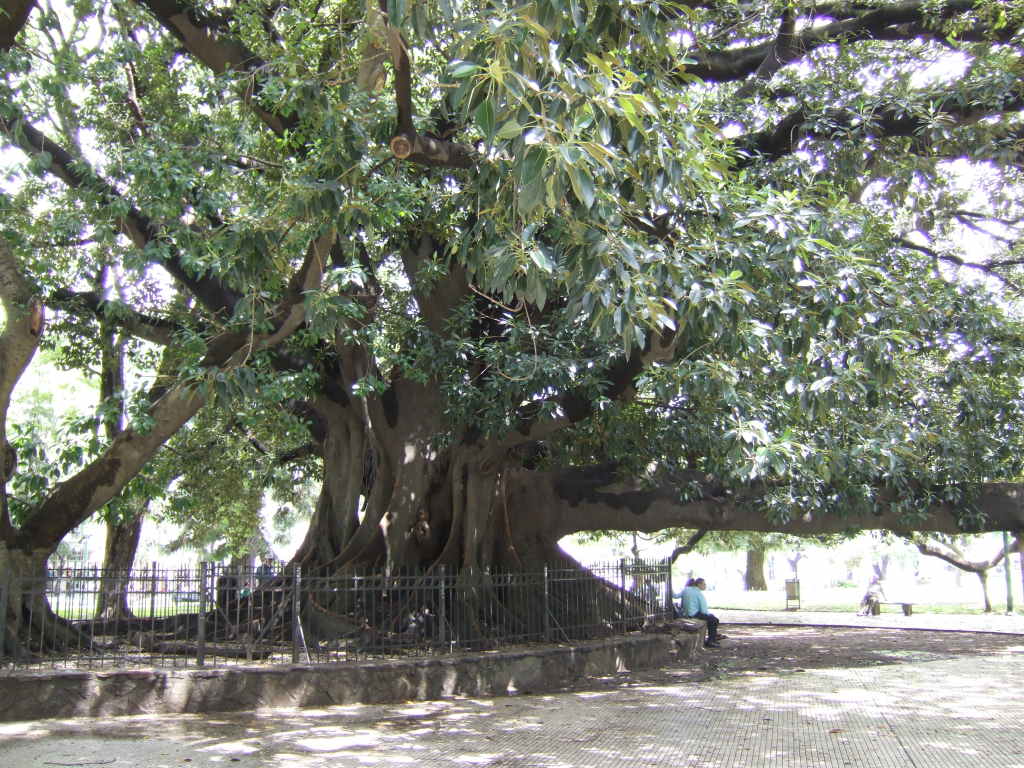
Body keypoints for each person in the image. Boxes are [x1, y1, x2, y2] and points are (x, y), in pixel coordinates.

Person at [679, 577, 722, 648]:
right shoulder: (698, 593)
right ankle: (711, 641)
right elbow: (703, 610)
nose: (705, 586)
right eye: (704, 584)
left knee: (712, 617)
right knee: (714, 620)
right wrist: (708, 615)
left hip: (685, 613)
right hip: (693, 614)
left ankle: (713, 638)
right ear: (699, 584)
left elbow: (676, 596)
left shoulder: (686, 589)